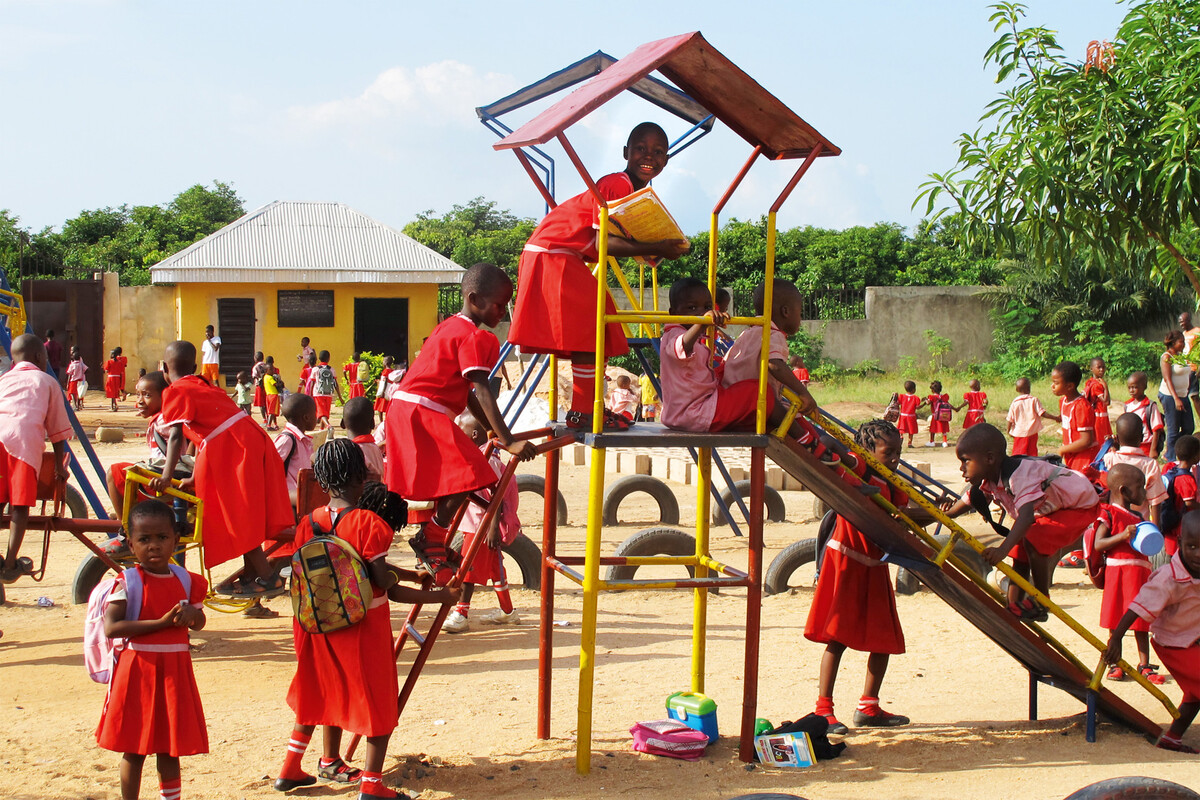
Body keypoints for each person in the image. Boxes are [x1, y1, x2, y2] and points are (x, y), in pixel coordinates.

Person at [276, 440, 459, 799]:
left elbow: (353, 565)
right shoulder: (370, 524)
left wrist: (404, 574)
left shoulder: (308, 523)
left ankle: (296, 767)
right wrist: (440, 596)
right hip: (361, 627)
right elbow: (380, 582)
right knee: (377, 704)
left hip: (317, 625)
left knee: (320, 693)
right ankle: (373, 788)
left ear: (323, 482)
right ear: (362, 477)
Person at [508, 122, 691, 432]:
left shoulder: (639, 193)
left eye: (658, 152)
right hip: (554, 253)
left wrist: (655, 249)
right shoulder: (619, 184)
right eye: (641, 149)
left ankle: (588, 408)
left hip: (561, 254)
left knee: (600, 325)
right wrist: (656, 245)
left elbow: (621, 242)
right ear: (626, 153)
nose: (649, 157)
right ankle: (582, 411)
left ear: (667, 159)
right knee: (593, 327)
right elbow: (608, 241)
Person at [387, 263, 537, 586]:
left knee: (463, 475)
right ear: (473, 298)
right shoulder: (472, 337)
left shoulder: (449, 328)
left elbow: (468, 393)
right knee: (472, 474)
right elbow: (482, 389)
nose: (502, 311)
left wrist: (495, 431)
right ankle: (430, 536)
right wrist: (508, 440)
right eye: (498, 304)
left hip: (411, 409)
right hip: (422, 411)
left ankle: (433, 540)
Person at [148, 340, 294, 598]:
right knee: (246, 510)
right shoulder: (202, 384)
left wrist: (166, 476)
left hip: (233, 447)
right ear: (194, 367)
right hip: (248, 439)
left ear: (163, 368)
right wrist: (194, 477)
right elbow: (207, 436)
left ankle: (267, 577)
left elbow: (175, 436)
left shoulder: (174, 390)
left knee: (235, 512)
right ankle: (252, 575)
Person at [95, 499, 208, 800]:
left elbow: (199, 622)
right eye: (144, 540)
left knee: (169, 748)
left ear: (175, 539)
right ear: (131, 545)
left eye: (161, 538)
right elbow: (112, 627)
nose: (154, 546)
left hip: (174, 673)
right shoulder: (128, 582)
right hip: (138, 672)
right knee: (135, 748)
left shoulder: (187, 581)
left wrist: (192, 617)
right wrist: (160, 622)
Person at [805, 420, 912, 734]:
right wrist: (851, 455)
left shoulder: (895, 482)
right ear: (867, 450)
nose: (894, 458)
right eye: (888, 452)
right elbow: (827, 440)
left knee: (884, 638)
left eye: (898, 452)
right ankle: (823, 709)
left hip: (876, 562)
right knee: (837, 637)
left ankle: (869, 705)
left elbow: (902, 513)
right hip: (847, 560)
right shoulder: (858, 469)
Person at [944, 423, 1099, 620]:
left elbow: (1026, 517)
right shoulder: (988, 480)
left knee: (1033, 539)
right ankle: (1014, 606)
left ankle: (1042, 602)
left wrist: (1001, 550)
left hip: (1080, 507)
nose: (961, 468)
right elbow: (959, 508)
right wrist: (931, 512)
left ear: (990, 458)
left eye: (966, 461)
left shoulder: (1019, 476)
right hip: (1058, 508)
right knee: (1019, 549)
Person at [1105, 510, 1200, 753]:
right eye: (1191, 546)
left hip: (1193, 638)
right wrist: (1116, 638)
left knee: (1195, 693)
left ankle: (1172, 738)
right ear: (1179, 544)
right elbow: (1137, 607)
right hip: (1174, 644)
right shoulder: (1168, 579)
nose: (1198, 554)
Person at [0, 334, 72, 583]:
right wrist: (61, 466)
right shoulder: (47, 381)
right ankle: (10, 565)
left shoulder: (3, 379)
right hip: (23, 443)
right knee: (19, 506)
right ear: (40, 357)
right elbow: (58, 428)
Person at [442, 411, 522, 634]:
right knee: (496, 569)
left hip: (481, 526)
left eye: (462, 429)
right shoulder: (477, 454)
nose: (458, 433)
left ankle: (461, 613)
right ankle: (507, 612)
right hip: (478, 524)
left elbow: (495, 495)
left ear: (475, 433)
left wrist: (493, 527)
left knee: (467, 568)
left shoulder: (488, 459)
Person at [1093, 463, 1165, 685]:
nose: (1144, 493)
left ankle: (1144, 664)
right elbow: (1099, 544)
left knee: (1140, 618)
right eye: (1141, 488)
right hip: (1118, 572)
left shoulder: (1137, 516)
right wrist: (1123, 535)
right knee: (1117, 618)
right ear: (1124, 490)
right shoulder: (1109, 513)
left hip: (1138, 572)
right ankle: (1116, 662)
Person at [1103, 413, 1166, 527]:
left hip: (1114, 524)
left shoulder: (1109, 458)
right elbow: (1155, 502)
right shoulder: (1150, 464)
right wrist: (1156, 529)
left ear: (1116, 438)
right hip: (1139, 526)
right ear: (1142, 438)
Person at [1045, 360, 1100, 472]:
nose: (1052, 386)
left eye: (1056, 383)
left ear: (1069, 386)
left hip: (1084, 457)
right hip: (1071, 453)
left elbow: (1086, 441)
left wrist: (1062, 449)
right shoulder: (1063, 401)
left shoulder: (1082, 407)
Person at [275, 392, 317, 512]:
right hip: (289, 494)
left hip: (300, 491)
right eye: (314, 413)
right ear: (306, 417)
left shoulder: (303, 440)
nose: (317, 417)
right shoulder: (287, 439)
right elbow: (268, 464)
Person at [1163, 436, 1200, 557]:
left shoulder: (1172, 471)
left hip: (1171, 520)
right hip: (1179, 525)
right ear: (1195, 457)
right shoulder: (1186, 478)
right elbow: (1189, 502)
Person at [1160, 330, 1193, 462]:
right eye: (1181, 342)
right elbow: (1168, 379)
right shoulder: (1167, 357)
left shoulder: (1181, 356)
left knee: (1189, 427)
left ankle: (1172, 449)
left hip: (1183, 395)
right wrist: (1176, 399)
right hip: (1170, 396)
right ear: (1173, 343)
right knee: (1173, 429)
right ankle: (1171, 459)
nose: (1184, 344)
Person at [1006, 377, 1050, 456]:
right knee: (1032, 453)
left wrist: (1008, 431)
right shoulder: (1034, 400)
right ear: (1029, 388)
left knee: (1018, 454)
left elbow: (1010, 419)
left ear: (1017, 390)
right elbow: (1042, 413)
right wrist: (1055, 418)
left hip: (1019, 433)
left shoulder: (1015, 402)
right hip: (1032, 432)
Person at [342, 397, 383, 483]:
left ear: (342, 423)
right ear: (372, 424)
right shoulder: (375, 449)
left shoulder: (350, 451)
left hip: (360, 495)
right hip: (376, 493)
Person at [1125, 371, 1165, 458]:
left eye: (1135, 387)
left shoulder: (1150, 406)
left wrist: (1153, 449)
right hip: (1131, 446)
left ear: (1144, 387)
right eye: (1129, 387)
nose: (1131, 390)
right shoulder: (1127, 406)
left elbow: (1156, 429)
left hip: (1146, 446)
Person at [1084, 357, 1113, 445]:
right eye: (1099, 367)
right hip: (1099, 418)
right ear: (1092, 369)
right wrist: (1106, 387)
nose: (1102, 370)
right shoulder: (1097, 385)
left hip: (1096, 415)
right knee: (1102, 441)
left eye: (1103, 367)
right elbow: (1106, 402)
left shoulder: (1089, 382)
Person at [311, 351, 344, 430]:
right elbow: (335, 384)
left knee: (321, 413)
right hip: (329, 394)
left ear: (319, 358)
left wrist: (310, 395)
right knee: (325, 413)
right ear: (329, 359)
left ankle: (329, 426)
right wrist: (340, 397)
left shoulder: (315, 369)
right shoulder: (332, 369)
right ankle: (321, 429)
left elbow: (312, 383)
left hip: (318, 393)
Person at [1181, 311, 1200, 417]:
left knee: (1194, 395)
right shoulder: (1183, 334)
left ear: (1188, 320)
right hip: (1186, 368)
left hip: (1194, 368)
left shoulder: (1197, 332)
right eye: (1180, 322)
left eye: (1183, 322)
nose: (1181, 324)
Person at [896, 381, 923, 449]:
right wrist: (924, 403)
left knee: (902, 429)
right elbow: (918, 407)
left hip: (903, 416)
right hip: (911, 416)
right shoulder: (916, 398)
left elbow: (897, 403)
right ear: (914, 389)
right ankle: (909, 442)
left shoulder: (902, 396)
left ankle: (901, 438)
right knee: (911, 430)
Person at [373, 356, 400, 420]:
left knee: (380, 408)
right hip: (390, 390)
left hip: (384, 391)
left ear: (385, 362)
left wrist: (382, 392)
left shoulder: (385, 371)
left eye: (383, 361)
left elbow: (384, 382)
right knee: (388, 407)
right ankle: (388, 420)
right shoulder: (393, 371)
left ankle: (381, 421)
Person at [926, 380, 951, 447]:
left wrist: (925, 400)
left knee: (932, 429)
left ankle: (932, 441)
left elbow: (928, 403)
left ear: (932, 390)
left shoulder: (932, 397)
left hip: (936, 415)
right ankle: (944, 441)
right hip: (944, 414)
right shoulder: (944, 396)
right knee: (944, 429)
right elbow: (948, 404)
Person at [263, 359, 283, 431]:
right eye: (271, 369)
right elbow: (276, 384)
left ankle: (275, 424)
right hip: (273, 395)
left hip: (268, 395)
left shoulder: (265, 377)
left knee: (272, 411)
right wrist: (280, 383)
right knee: (272, 411)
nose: (273, 371)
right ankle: (269, 425)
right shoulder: (270, 378)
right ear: (267, 370)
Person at [66, 346, 88, 411]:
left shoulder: (76, 362)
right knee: (78, 392)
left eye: (72, 350)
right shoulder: (79, 361)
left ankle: (75, 405)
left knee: (73, 392)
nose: (71, 352)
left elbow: (69, 373)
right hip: (81, 378)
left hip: (75, 379)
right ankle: (77, 404)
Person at [251, 351, 268, 422]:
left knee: (261, 404)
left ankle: (264, 419)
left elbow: (254, 376)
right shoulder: (266, 366)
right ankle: (268, 417)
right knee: (266, 402)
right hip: (267, 386)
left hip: (259, 387)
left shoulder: (255, 367)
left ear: (255, 358)